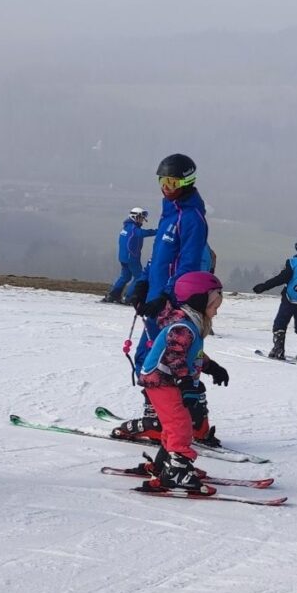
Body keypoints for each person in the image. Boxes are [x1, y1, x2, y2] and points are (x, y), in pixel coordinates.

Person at [126, 154, 209, 423]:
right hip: (154, 299)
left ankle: (173, 417)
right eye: (162, 181)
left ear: (187, 181)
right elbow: (158, 258)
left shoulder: (192, 219)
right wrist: (141, 284)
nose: (166, 187)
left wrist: (165, 296)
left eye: (172, 182)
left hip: (169, 304)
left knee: (162, 360)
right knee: (146, 357)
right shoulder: (169, 213)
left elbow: (187, 265)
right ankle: (162, 413)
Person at [131, 271, 229, 494]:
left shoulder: (189, 325)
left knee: (174, 425)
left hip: (165, 381)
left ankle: (164, 465)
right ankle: (176, 472)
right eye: (214, 305)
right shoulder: (182, 328)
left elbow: (191, 355)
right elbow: (175, 358)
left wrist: (212, 367)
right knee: (180, 426)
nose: (216, 311)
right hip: (162, 382)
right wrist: (185, 383)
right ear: (198, 301)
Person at [102, 207, 156, 304]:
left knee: (125, 276)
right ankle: (129, 297)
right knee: (139, 276)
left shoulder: (127, 227)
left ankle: (113, 295)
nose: (142, 220)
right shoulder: (133, 229)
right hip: (131, 258)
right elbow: (143, 233)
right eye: (141, 218)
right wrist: (158, 231)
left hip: (124, 257)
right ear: (134, 217)